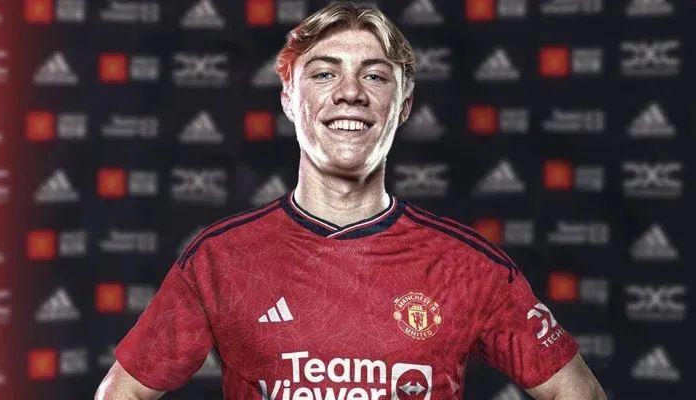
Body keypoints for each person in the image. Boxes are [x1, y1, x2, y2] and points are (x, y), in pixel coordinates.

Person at [95, 2, 606, 399]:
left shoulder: (468, 265)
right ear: (288, 98)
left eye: (375, 75)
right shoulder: (220, 259)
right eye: (324, 73)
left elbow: (575, 391)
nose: (350, 93)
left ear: (403, 105)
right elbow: (124, 390)